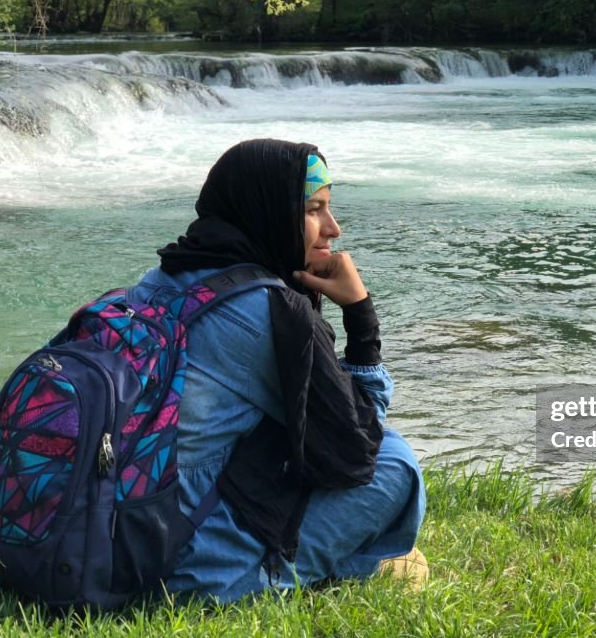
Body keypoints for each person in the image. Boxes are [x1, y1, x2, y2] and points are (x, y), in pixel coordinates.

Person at [130, 138, 426, 603]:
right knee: (397, 466)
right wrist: (360, 316)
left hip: (122, 525)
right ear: (268, 210)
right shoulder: (267, 312)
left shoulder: (160, 278)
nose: (334, 228)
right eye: (314, 210)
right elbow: (357, 448)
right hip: (182, 564)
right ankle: (306, 570)